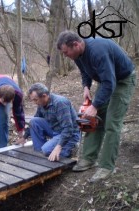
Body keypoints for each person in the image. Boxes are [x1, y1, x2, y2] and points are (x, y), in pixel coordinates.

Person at [57, 30, 137, 182]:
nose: (66, 56)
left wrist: (95, 106)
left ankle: (106, 166)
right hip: (106, 80)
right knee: (93, 119)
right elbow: (84, 71)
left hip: (123, 80)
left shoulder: (97, 51)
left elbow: (110, 83)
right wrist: (86, 86)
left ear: (76, 44)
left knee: (112, 122)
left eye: (66, 52)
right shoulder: (77, 54)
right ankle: (88, 158)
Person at [16, 83, 80, 161]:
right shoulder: (41, 103)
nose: (35, 102)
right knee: (34, 121)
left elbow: (68, 128)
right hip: (55, 130)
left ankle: (71, 148)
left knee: (47, 150)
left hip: (70, 134)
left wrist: (58, 146)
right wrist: (24, 137)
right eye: (33, 100)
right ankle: (40, 152)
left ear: (44, 96)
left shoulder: (60, 103)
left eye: (36, 100)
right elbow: (36, 120)